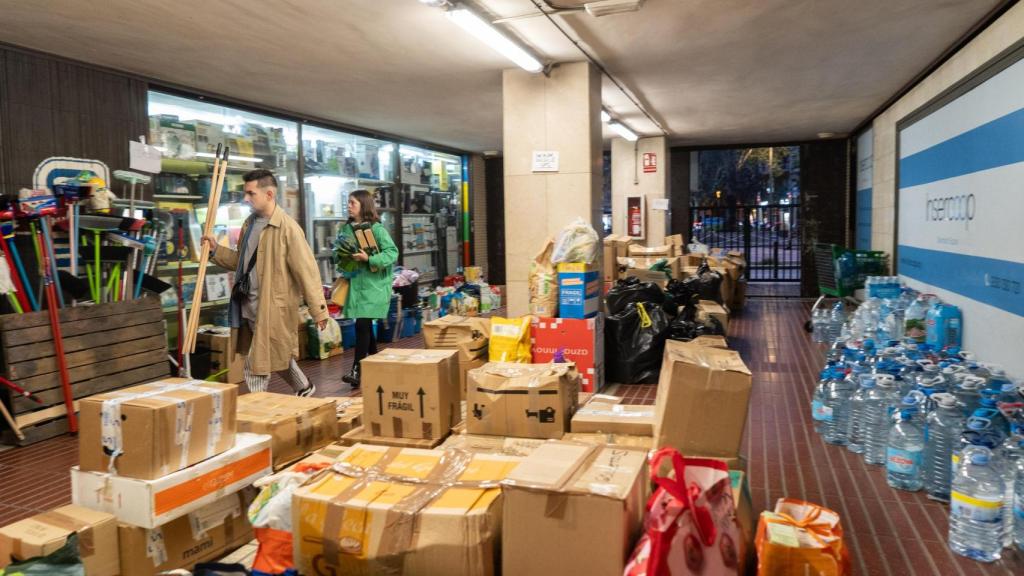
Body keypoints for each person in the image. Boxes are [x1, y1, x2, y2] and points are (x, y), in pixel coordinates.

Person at [202, 169, 328, 396]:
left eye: (251, 193)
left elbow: (307, 271)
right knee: (275, 355)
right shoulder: (249, 224)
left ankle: (257, 413)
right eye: (245, 193)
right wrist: (215, 250)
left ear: (269, 194)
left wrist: (319, 310)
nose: (246, 198)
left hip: (272, 309)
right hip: (248, 305)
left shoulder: (288, 229)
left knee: (256, 365)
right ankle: (305, 388)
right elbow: (241, 261)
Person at [336, 190, 398, 388]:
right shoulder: (347, 229)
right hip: (357, 285)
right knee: (364, 326)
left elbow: (392, 253)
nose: (349, 206)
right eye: (348, 202)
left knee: (362, 324)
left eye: (352, 203)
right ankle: (376, 366)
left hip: (375, 286)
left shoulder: (377, 230)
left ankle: (357, 369)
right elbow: (339, 255)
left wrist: (369, 259)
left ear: (364, 204)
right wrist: (343, 259)